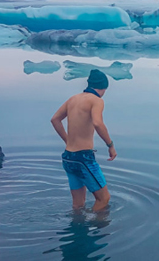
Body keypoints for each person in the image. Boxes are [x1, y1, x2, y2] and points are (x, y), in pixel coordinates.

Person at [51, 69, 117, 212]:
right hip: (83, 158)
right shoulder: (97, 101)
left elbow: (55, 119)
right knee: (104, 198)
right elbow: (98, 123)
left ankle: (78, 229)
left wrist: (68, 140)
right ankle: (99, 230)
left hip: (68, 158)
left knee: (78, 205)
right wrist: (110, 145)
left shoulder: (73, 99)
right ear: (103, 87)